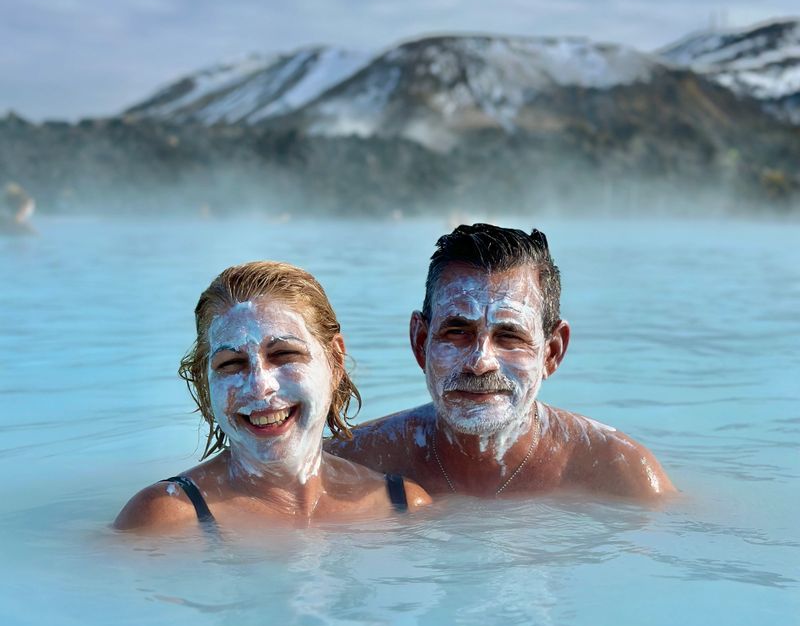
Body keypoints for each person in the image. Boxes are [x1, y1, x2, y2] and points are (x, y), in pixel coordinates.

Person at [329, 223, 674, 501]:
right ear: (421, 342)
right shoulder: (348, 466)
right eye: (457, 332)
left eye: (509, 336)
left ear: (552, 352)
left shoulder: (617, 474)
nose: (481, 362)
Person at [115, 261, 429, 533]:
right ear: (205, 381)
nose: (259, 386)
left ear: (335, 362)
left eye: (283, 354)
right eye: (231, 363)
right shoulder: (165, 518)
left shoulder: (402, 505)